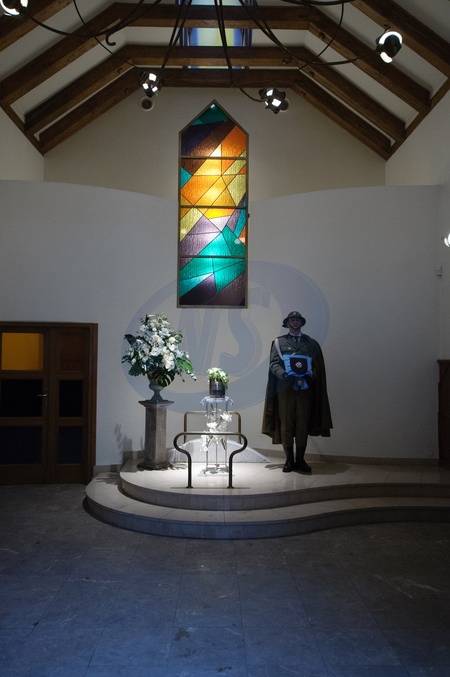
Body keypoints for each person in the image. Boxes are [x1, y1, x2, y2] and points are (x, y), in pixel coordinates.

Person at [262, 311, 332, 473]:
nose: (295, 322)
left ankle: (300, 459)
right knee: (286, 424)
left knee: (302, 424)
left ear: (301, 322)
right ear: (287, 323)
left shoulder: (310, 343)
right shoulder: (279, 342)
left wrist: (311, 374)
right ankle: (289, 459)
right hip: (285, 389)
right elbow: (274, 364)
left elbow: (317, 365)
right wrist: (283, 374)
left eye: (297, 320)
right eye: (292, 320)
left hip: (304, 390)